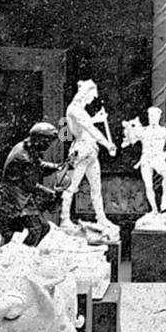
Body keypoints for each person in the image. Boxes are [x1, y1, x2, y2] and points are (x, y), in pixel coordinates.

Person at [0, 122, 64, 246]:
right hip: (11, 200)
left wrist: (58, 167)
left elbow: (39, 165)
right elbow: (30, 185)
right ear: (39, 139)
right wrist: (49, 193)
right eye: (47, 143)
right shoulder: (23, 156)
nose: (48, 146)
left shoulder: (27, 148)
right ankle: (22, 256)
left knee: (42, 227)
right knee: (33, 230)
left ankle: (24, 255)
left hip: (21, 198)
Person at [59, 79, 118, 236]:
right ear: (84, 94)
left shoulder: (79, 110)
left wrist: (96, 119)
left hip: (90, 151)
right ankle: (64, 219)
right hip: (81, 151)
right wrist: (108, 145)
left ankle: (101, 218)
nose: (92, 100)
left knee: (96, 188)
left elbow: (86, 124)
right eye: (91, 97)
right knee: (71, 187)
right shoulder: (75, 110)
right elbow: (89, 129)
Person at [122, 106, 166, 217]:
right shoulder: (143, 131)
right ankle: (154, 209)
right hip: (146, 159)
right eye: (151, 115)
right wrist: (130, 128)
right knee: (148, 186)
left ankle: (164, 197)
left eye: (155, 115)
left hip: (158, 158)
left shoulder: (163, 131)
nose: (152, 118)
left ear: (159, 117)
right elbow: (132, 140)